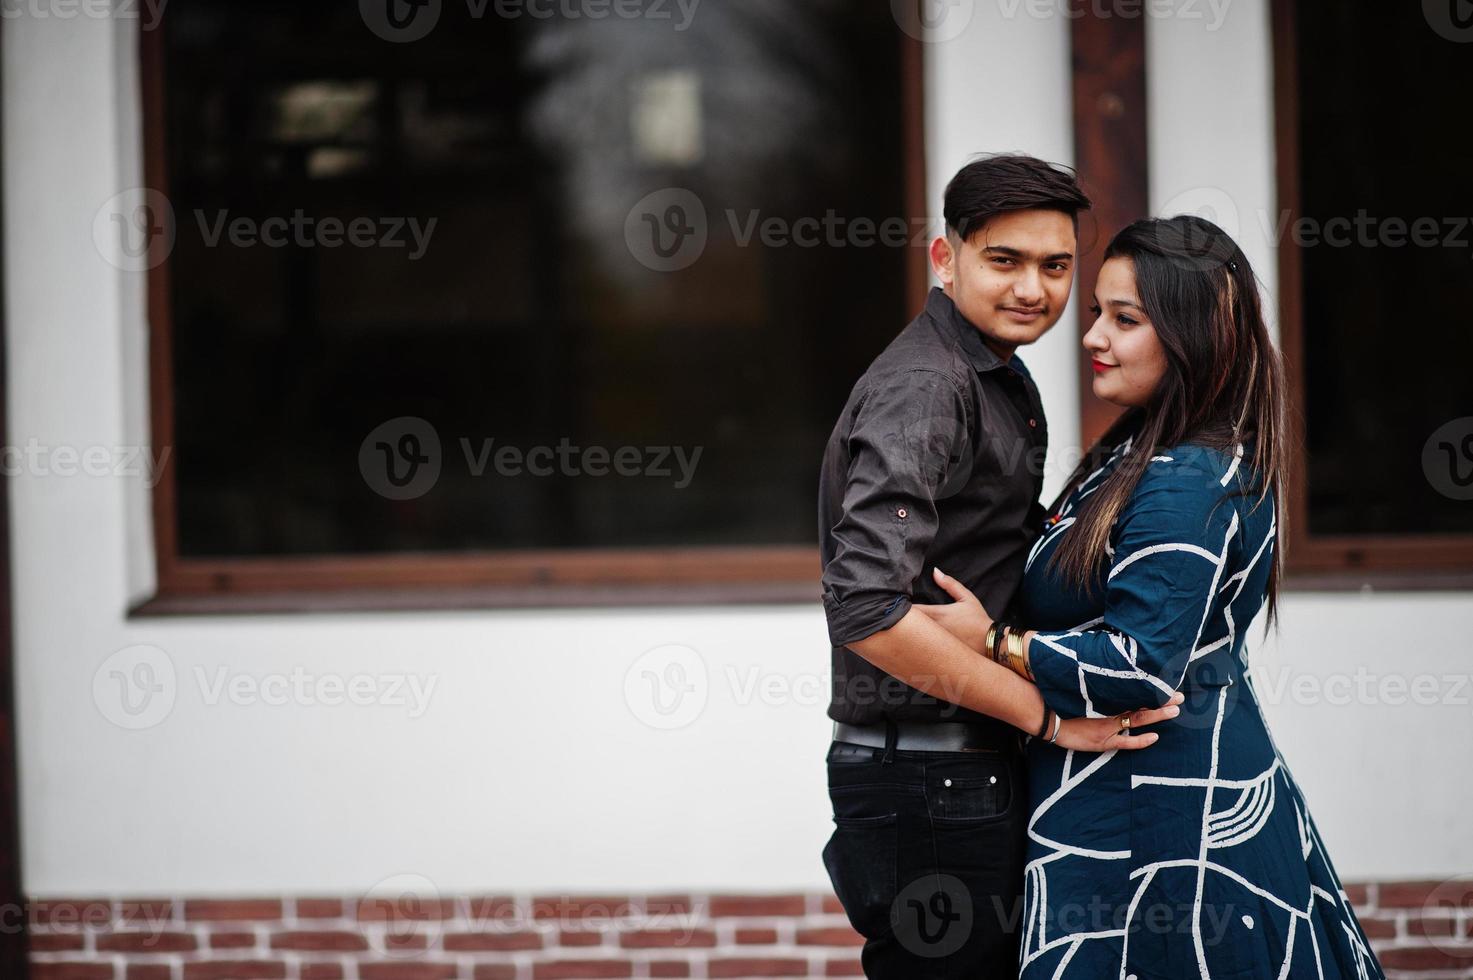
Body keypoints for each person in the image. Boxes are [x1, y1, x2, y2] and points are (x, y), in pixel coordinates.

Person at [916, 215, 1386, 978]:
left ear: (1192, 337)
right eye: (1099, 311)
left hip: (1163, 820)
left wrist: (991, 641)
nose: (1093, 335)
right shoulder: (1149, 455)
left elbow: (1137, 664)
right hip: (1138, 794)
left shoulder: (1181, 480)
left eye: (1124, 320)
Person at [817, 155, 1179, 979]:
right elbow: (864, 608)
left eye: (1054, 266)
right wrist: (1045, 718)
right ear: (946, 260)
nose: (1032, 290)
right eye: (1003, 261)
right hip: (927, 778)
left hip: (956, 768)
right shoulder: (927, 386)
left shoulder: (992, 374)